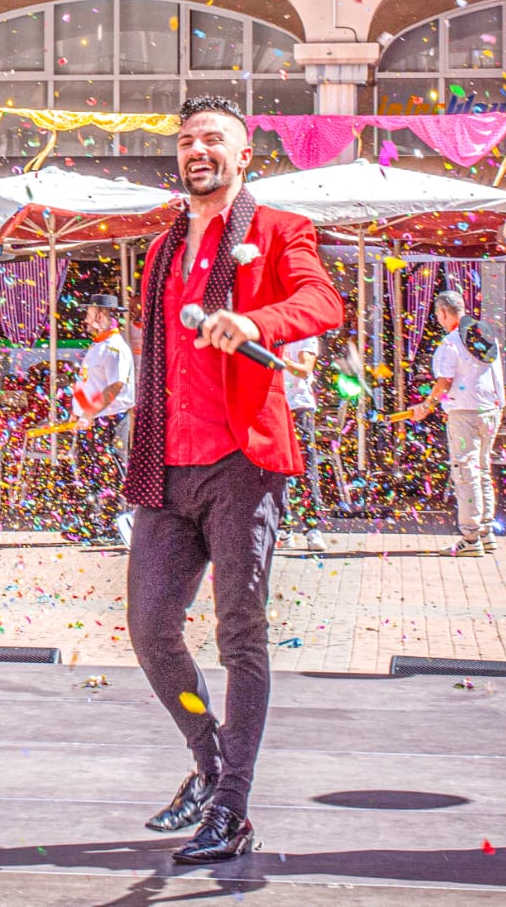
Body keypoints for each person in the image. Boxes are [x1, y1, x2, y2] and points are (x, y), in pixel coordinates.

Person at [123, 95, 344, 865]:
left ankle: (234, 805)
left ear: (244, 156)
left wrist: (258, 322)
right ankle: (210, 762)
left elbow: (323, 299)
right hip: (167, 461)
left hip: (244, 464)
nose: (197, 149)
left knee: (238, 635)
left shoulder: (279, 230)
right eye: (186, 139)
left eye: (213, 138)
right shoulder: (159, 249)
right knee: (151, 627)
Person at [407, 290, 505, 557]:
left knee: (466, 473)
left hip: (465, 412)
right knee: (482, 469)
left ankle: (470, 538)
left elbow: (444, 381)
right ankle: (486, 532)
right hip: (491, 410)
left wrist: (426, 406)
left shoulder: (450, 343)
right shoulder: (485, 336)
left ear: (442, 313)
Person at [69, 292, 134, 543]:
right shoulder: (100, 345)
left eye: (88, 314)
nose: (85, 320)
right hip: (94, 419)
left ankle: (113, 525)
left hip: (110, 419)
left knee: (110, 471)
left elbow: (115, 387)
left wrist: (88, 412)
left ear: (99, 316)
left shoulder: (115, 347)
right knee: (90, 472)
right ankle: (92, 523)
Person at [277, 333, 325, 553]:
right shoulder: (271, 329)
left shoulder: (306, 336)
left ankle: (312, 528)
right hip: (273, 405)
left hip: (298, 407)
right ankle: (283, 527)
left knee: (305, 468)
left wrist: (279, 358)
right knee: (277, 468)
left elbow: (305, 369)